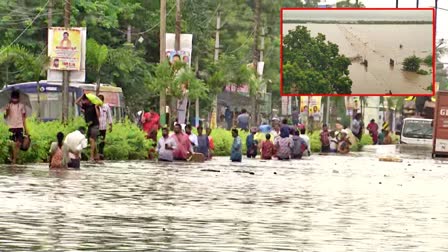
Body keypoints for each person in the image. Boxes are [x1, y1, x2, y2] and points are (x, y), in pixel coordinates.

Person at [3, 90, 28, 165]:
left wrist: (26, 129)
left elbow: (24, 118)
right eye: (13, 98)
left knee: (18, 143)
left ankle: (14, 159)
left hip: (19, 127)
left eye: (16, 98)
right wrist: (7, 112)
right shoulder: (8, 105)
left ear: (18, 98)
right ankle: (13, 158)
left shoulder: (21, 105)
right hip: (11, 127)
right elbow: (6, 117)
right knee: (12, 143)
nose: (14, 100)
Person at [76, 94, 100, 162]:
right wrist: (81, 96)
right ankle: (97, 156)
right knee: (91, 141)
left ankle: (92, 157)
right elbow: (77, 102)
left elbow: (98, 116)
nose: (83, 101)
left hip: (95, 125)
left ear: (89, 100)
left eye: (85, 100)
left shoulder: (94, 106)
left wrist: (96, 107)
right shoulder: (85, 107)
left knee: (92, 139)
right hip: (89, 125)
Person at [97, 95, 113, 160]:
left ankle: (101, 153)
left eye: (100, 100)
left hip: (103, 127)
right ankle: (97, 153)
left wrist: (110, 125)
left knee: (102, 140)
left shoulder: (106, 107)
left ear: (103, 100)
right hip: (97, 126)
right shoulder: (96, 106)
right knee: (97, 140)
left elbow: (109, 116)